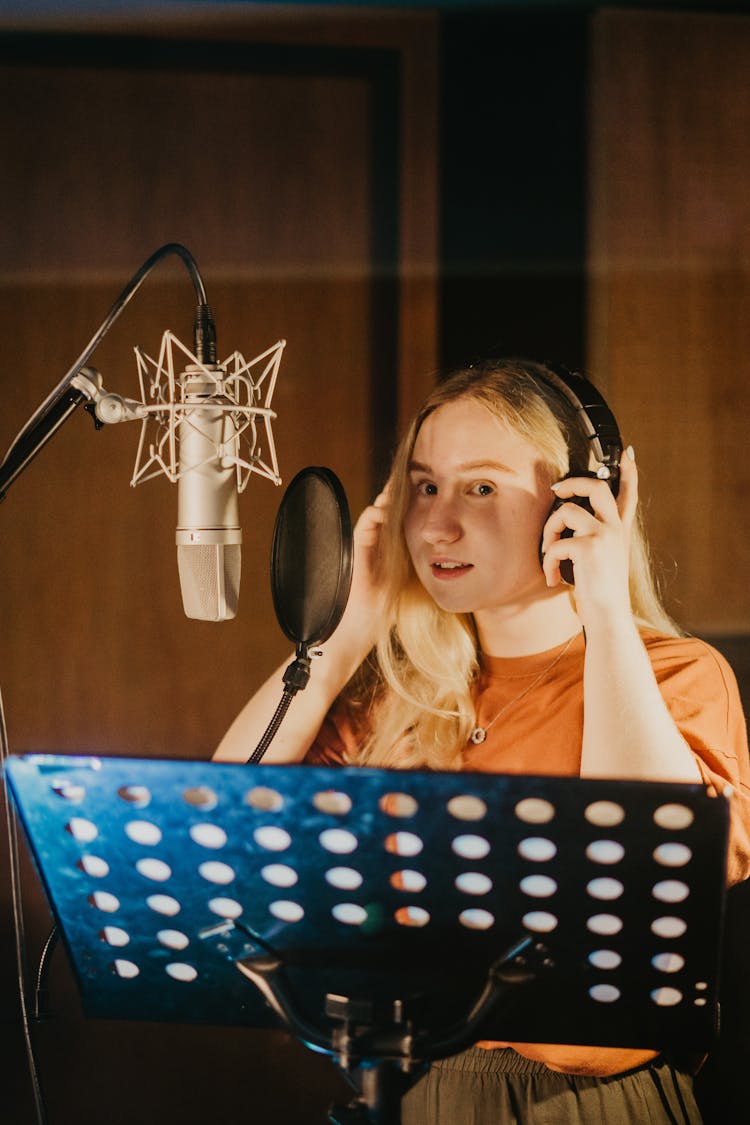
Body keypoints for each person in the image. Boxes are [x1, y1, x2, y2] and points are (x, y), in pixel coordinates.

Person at [215, 358, 750, 1123]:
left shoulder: (678, 677)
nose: (437, 524)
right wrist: (339, 638)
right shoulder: (394, 702)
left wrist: (602, 608)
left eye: (483, 486)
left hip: (590, 1104)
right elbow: (221, 835)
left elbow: (639, 870)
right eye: (426, 486)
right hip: (416, 1095)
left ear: (581, 501)